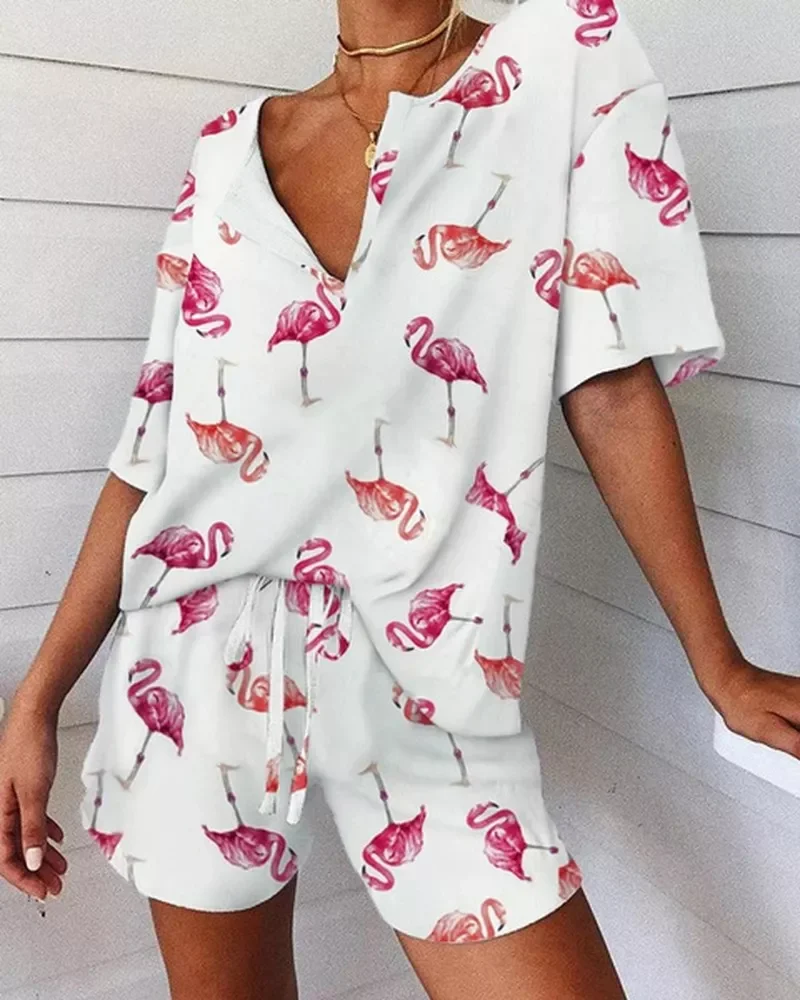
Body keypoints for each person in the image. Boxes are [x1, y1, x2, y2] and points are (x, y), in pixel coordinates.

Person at [2, 1, 799, 997]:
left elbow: (610, 386)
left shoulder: (563, 70)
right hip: (196, 659)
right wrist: (37, 702)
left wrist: (718, 663)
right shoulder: (226, 152)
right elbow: (150, 452)